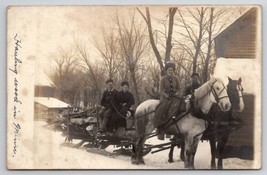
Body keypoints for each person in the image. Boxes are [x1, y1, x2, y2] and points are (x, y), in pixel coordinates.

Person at [155, 61, 181, 140]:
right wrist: (167, 96)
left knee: (181, 108)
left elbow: (179, 89)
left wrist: (176, 94)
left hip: (175, 97)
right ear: (166, 70)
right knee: (163, 109)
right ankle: (160, 129)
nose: (171, 71)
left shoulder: (176, 78)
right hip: (165, 98)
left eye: (172, 70)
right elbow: (161, 91)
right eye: (169, 70)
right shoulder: (163, 79)